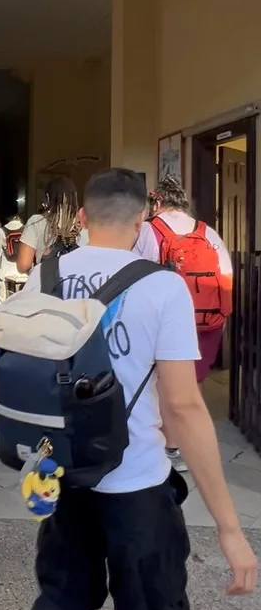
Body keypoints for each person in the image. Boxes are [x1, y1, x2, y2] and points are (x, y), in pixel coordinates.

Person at [0, 168, 257, 610]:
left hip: (61, 475)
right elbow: (183, 408)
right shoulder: (163, 287)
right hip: (136, 484)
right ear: (142, 219)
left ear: (81, 217)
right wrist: (230, 530)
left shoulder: (46, 273)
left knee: (60, 608)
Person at [134, 176, 233, 474]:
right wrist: (222, 318)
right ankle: (190, 444)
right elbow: (226, 277)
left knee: (163, 382)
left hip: (166, 319)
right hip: (207, 320)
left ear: (158, 202)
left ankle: (169, 446)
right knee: (194, 382)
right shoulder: (208, 232)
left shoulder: (151, 230)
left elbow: (136, 274)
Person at [16, 176, 88, 274]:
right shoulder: (87, 224)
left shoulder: (37, 222)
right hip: (78, 286)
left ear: (48, 198)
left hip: (46, 285)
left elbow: (23, 266)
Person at [0, 213, 25, 302]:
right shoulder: (26, 229)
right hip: (22, 270)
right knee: (22, 299)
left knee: (3, 298)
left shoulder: (1, 231)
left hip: (5, 270)